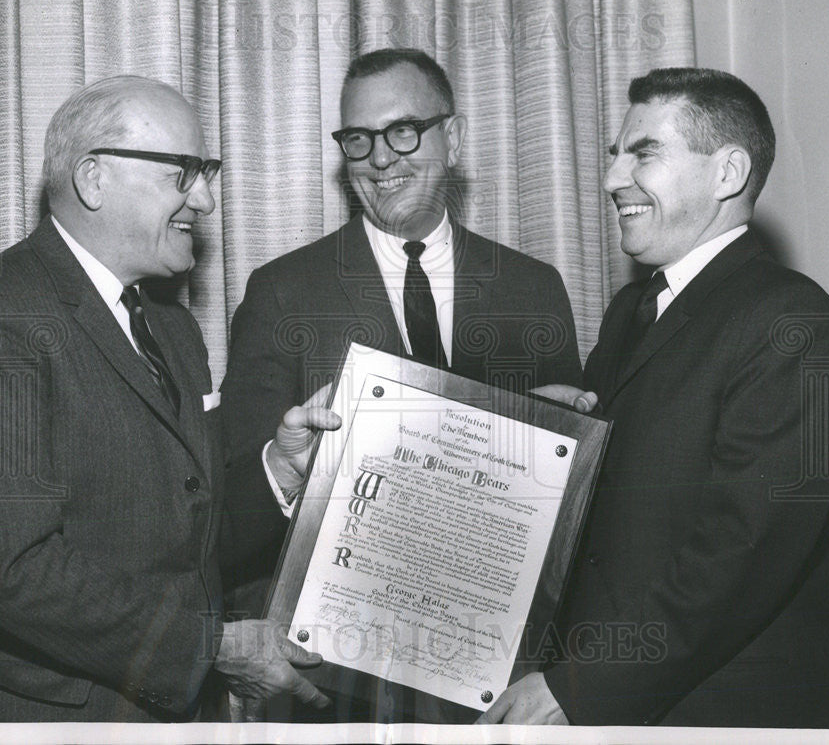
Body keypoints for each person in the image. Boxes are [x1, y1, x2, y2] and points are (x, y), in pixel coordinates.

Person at [0, 75, 337, 721]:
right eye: (183, 172)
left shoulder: (173, 328)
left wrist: (279, 470)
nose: (206, 200)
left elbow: (188, 537)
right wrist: (209, 647)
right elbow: (13, 570)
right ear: (93, 178)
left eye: (206, 172)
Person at [479, 67, 829, 727]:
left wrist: (579, 686)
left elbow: (741, 557)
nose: (611, 179)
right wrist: (535, 431)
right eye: (614, 155)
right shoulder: (634, 307)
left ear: (727, 172)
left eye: (643, 152)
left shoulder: (795, 321)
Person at [218, 48, 582, 599]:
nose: (380, 159)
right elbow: (233, 512)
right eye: (359, 139)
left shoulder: (533, 289)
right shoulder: (282, 293)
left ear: (453, 140)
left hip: (495, 638)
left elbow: (565, 516)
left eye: (404, 131)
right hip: (331, 649)